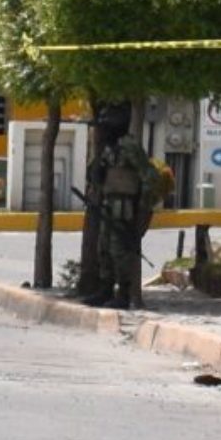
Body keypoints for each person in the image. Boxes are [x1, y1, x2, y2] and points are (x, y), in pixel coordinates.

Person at [85, 102, 157, 310]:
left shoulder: (130, 147)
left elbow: (150, 177)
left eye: (106, 127)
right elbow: (98, 174)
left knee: (120, 251)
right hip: (108, 205)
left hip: (125, 208)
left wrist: (142, 208)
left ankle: (123, 294)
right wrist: (96, 173)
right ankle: (105, 289)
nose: (103, 131)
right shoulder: (110, 149)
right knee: (104, 248)